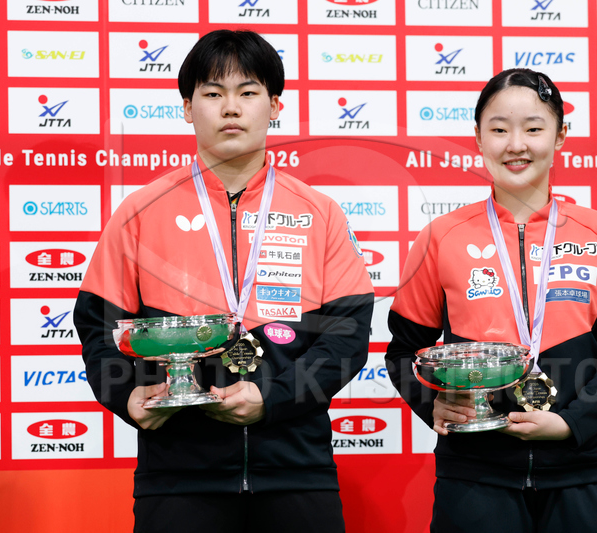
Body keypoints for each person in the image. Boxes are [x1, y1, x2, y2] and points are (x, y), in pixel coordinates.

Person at [74, 29, 374, 533]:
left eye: (248, 92)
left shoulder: (320, 213)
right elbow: (98, 327)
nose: (231, 107)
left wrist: (272, 398)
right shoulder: (140, 212)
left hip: (298, 471)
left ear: (274, 106)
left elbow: (347, 336)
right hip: (177, 476)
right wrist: (125, 396)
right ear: (187, 108)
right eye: (213, 93)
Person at [385, 68, 597, 532]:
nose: (515, 145)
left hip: (580, 471)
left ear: (560, 135)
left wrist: (572, 423)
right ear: (478, 137)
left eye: (533, 128)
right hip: (474, 475)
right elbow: (403, 351)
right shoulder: (441, 237)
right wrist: (432, 405)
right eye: (499, 129)